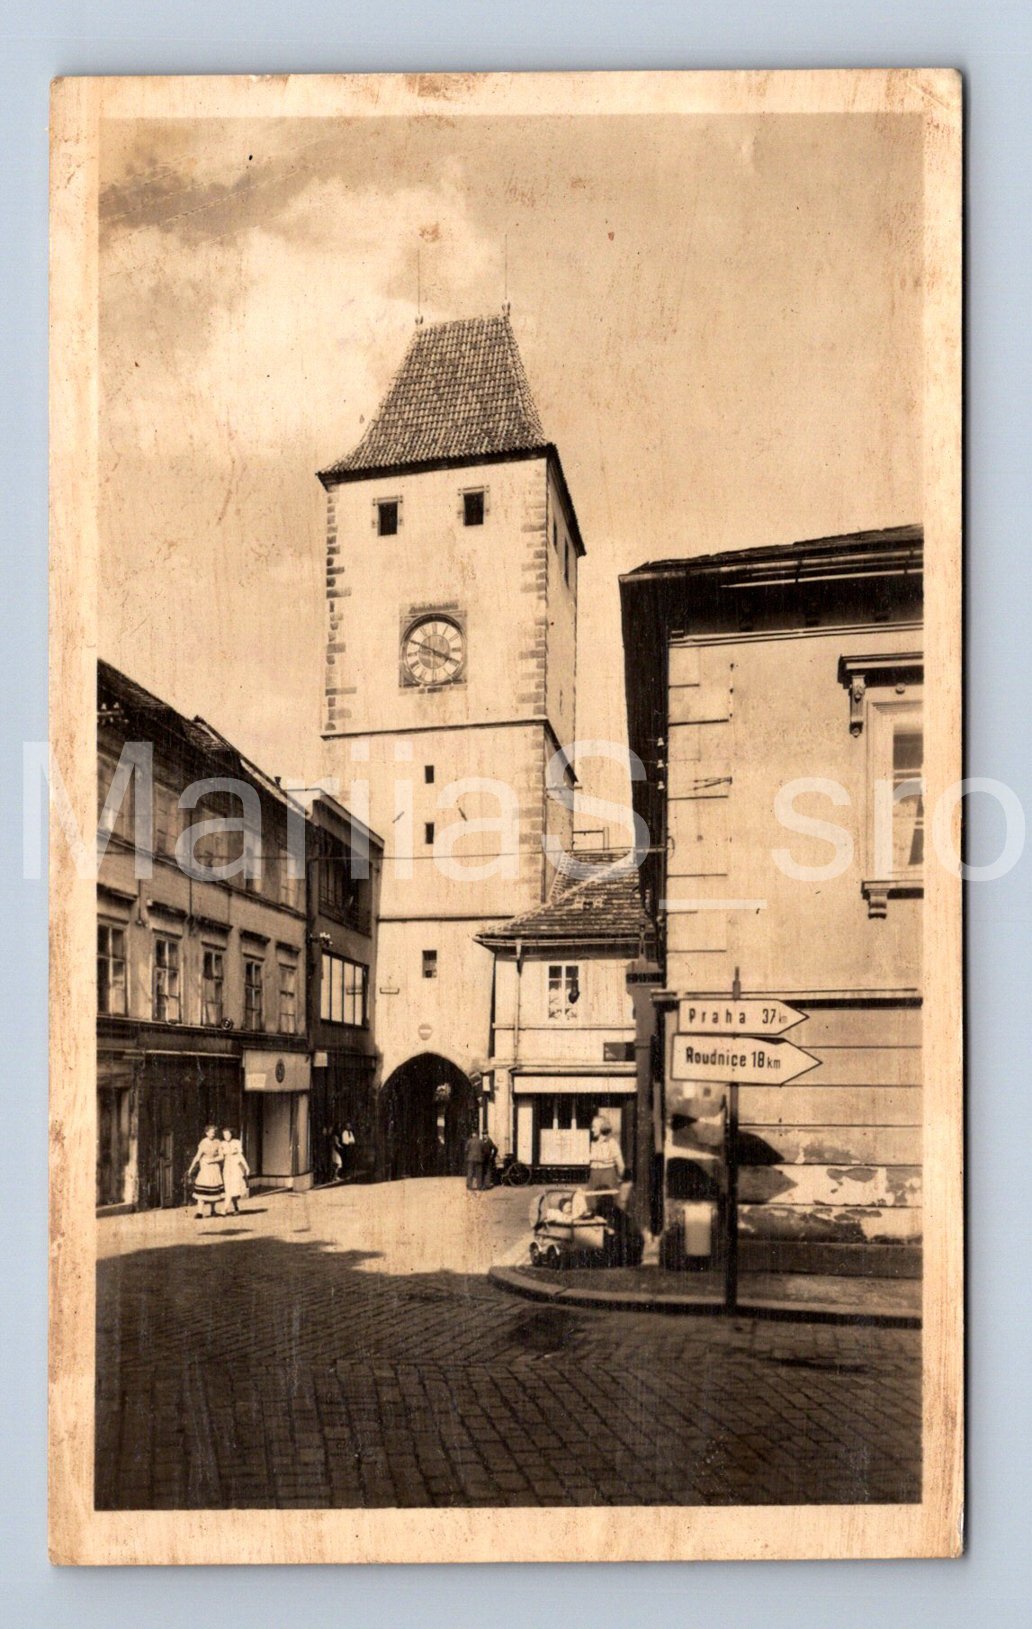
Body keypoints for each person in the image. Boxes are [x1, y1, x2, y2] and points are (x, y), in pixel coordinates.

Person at [187, 1124, 224, 1219]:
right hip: (205, 1169)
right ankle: (199, 1212)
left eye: (214, 1132)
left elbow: (221, 1156)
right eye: (211, 1132)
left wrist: (212, 1160)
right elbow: (197, 1156)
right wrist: (191, 1168)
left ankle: (213, 1210)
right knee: (202, 1189)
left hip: (214, 1168)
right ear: (206, 1133)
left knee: (213, 1190)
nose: (213, 1134)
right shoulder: (203, 1143)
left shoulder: (218, 1142)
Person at [586, 1117, 625, 1191]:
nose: (592, 1130)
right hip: (594, 1178)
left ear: (602, 1128)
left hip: (608, 1177)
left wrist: (618, 1178)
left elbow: (621, 1165)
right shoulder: (593, 1143)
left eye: (594, 1127)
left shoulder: (611, 1143)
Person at [220, 1126, 250, 1214]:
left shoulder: (237, 1142)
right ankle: (236, 1208)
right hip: (227, 1167)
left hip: (235, 1168)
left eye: (228, 1134)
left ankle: (224, 1209)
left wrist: (246, 1167)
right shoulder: (222, 1144)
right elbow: (220, 1156)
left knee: (232, 1189)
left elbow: (240, 1156)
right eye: (224, 1135)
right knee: (229, 1188)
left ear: (231, 1134)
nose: (226, 1136)